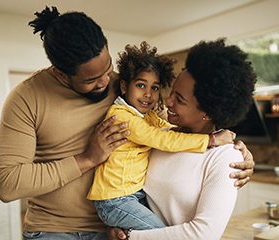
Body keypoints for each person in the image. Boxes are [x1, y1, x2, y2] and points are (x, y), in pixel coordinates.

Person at [0, 6, 254, 240]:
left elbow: (172, 125)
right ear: (61, 74)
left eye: (108, 69)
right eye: (92, 80)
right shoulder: (25, 98)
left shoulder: (127, 87)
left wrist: (234, 151)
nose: (106, 82)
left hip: (115, 228)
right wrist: (87, 159)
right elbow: (6, 183)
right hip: (53, 230)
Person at [109, 38, 257, 240]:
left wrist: (131, 237)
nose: (167, 102)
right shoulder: (159, 136)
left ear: (208, 112)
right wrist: (118, 225)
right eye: (171, 92)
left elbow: (203, 234)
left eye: (179, 99)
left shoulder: (225, 158)